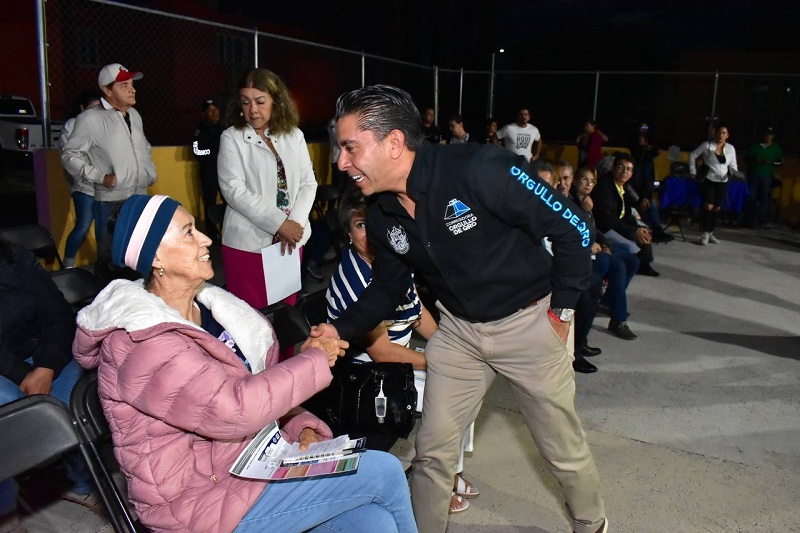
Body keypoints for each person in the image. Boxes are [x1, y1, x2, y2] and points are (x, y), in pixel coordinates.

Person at [312, 85, 606, 533]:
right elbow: (387, 290)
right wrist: (338, 330)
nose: (341, 162)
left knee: (561, 449)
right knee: (432, 453)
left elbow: (574, 228)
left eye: (351, 147)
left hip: (528, 324)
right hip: (459, 335)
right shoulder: (381, 214)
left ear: (394, 142)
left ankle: (592, 524)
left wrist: (562, 310)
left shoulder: (481, 168)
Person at [72, 194, 416, 533]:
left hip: (252, 467)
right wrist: (313, 360)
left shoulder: (214, 312)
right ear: (156, 257)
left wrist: (301, 427)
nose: (207, 238)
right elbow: (235, 409)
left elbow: (263, 390)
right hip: (197, 503)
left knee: (374, 523)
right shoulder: (139, 343)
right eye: (189, 232)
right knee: (382, 471)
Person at [325, 188, 479, 515]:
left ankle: (450, 470)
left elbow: (417, 311)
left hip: (398, 361)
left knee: (467, 379)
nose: (368, 233)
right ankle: (432, 482)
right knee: (452, 392)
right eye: (359, 225)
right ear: (348, 234)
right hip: (365, 377)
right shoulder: (354, 275)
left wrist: (452, 347)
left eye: (373, 223)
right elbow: (380, 351)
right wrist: (438, 362)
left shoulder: (390, 259)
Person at [0, 239, 100, 532]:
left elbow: (57, 311)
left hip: (45, 353)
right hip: (7, 368)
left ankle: (82, 480)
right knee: (9, 410)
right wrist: (22, 375)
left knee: (77, 396)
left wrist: (47, 365)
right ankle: (6, 506)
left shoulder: (14, 254)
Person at [217, 68, 317, 310]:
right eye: (246, 102)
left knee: (285, 315)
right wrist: (278, 224)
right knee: (250, 317)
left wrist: (294, 224)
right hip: (248, 245)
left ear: (276, 101)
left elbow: (308, 182)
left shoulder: (294, 135)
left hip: (289, 242)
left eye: (260, 102)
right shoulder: (232, 138)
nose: (253, 110)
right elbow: (234, 190)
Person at [61, 63, 157, 258]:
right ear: (107, 90)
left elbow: (143, 147)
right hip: (110, 202)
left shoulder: (135, 116)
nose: (132, 89)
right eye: (124, 85)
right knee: (111, 260)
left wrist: (148, 172)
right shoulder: (89, 119)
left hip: (139, 198)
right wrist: (100, 177)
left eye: (132, 84)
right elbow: (69, 156)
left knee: (138, 256)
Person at [571, 167, 639, 346]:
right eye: (584, 179)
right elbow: (575, 230)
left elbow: (595, 229)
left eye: (592, 181)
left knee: (632, 260)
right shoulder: (571, 200)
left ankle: (609, 301)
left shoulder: (586, 200)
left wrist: (605, 243)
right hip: (584, 250)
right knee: (617, 265)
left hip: (597, 243)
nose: (588, 184)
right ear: (575, 180)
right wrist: (585, 212)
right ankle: (618, 320)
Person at [592, 152, 660, 277]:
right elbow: (606, 219)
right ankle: (632, 265)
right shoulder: (604, 186)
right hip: (604, 229)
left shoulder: (623, 187)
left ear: (632, 174)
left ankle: (644, 264)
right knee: (632, 242)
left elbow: (626, 213)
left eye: (628, 169)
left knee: (643, 229)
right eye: (621, 167)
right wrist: (633, 231)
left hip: (617, 224)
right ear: (613, 168)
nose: (624, 172)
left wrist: (638, 228)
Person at [59, 88, 102, 268]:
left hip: (104, 185)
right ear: (82, 108)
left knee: (104, 228)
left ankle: (104, 266)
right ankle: (67, 266)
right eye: (92, 109)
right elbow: (71, 156)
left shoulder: (102, 125)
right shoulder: (72, 125)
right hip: (84, 186)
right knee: (83, 226)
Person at [689, 123, 738, 245]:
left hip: (723, 180)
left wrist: (734, 173)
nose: (721, 135)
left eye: (723, 133)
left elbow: (733, 165)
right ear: (715, 134)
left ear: (727, 135)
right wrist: (693, 170)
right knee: (708, 206)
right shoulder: (707, 145)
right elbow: (693, 154)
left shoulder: (731, 148)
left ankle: (711, 232)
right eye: (719, 133)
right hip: (709, 179)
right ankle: (704, 233)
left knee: (717, 207)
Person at [628, 122, 673, 244]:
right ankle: (655, 229)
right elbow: (635, 184)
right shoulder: (636, 162)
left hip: (644, 192)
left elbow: (647, 183)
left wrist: (646, 197)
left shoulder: (648, 160)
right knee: (649, 202)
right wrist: (643, 197)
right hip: (635, 194)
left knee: (651, 202)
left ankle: (656, 229)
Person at [192, 98, 225, 242]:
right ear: (205, 113)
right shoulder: (201, 129)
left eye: (216, 109)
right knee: (210, 204)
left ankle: (227, 230)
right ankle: (212, 235)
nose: (215, 113)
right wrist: (211, 153)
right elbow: (196, 152)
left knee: (229, 202)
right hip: (209, 172)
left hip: (224, 171)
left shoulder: (223, 128)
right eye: (210, 110)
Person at [746, 127, 783, 228]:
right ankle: (750, 220)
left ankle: (762, 221)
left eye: (770, 135)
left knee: (764, 198)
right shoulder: (756, 146)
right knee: (752, 197)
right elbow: (748, 158)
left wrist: (771, 162)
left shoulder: (776, 148)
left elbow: (780, 162)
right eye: (766, 134)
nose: (768, 137)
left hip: (767, 176)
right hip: (754, 174)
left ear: (773, 136)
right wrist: (756, 160)